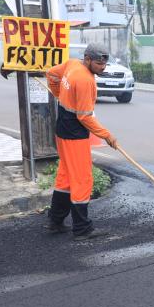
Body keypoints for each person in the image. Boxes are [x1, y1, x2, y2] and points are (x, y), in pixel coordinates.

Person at [45, 43, 119, 239]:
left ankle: (56, 221)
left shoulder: (71, 64)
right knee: (82, 179)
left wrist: (58, 94)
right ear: (87, 59)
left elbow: (51, 74)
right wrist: (107, 135)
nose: (102, 67)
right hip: (74, 133)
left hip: (62, 128)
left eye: (104, 63)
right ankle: (82, 229)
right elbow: (85, 117)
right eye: (98, 63)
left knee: (66, 176)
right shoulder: (86, 80)